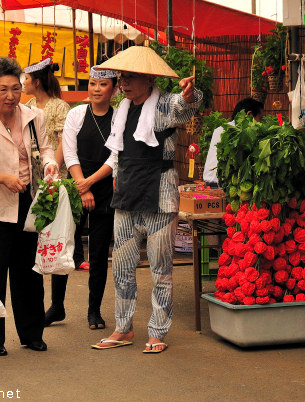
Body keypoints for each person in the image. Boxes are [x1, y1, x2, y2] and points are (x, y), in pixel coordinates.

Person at [91, 46, 202, 353]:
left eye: (131, 76)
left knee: (160, 270)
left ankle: (157, 331)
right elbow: (117, 152)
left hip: (159, 197)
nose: (124, 82)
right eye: (122, 77)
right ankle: (123, 328)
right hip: (126, 196)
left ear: (148, 79)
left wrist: (191, 94)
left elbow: (185, 106)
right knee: (122, 268)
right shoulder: (122, 109)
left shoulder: (164, 104)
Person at [0, 56, 58, 356]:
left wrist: (49, 165)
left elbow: (45, 149)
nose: (10, 96)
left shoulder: (35, 116)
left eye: (16, 88)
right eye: (3, 89)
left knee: (28, 271)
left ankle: (32, 333)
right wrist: (0, 178)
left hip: (28, 202)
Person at [45, 67, 117, 329]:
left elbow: (115, 157)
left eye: (104, 84)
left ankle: (94, 310)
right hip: (76, 187)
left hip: (104, 189)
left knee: (98, 253)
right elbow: (70, 151)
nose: (96, 89)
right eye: (93, 83)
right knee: (65, 248)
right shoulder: (76, 113)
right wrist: (82, 187)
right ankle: (57, 306)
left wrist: (92, 183)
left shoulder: (119, 118)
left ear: (115, 89)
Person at [22, 58, 88, 274]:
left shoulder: (60, 107)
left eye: (27, 79)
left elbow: (63, 141)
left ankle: (71, 256)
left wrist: (54, 167)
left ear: (37, 82)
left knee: (63, 215)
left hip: (55, 170)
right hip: (34, 171)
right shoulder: (28, 106)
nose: (24, 82)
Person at [203, 98, 263, 187]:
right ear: (249, 115)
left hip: (209, 185)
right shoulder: (241, 133)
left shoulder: (220, 129)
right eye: (260, 118)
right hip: (222, 188)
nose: (260, 123)